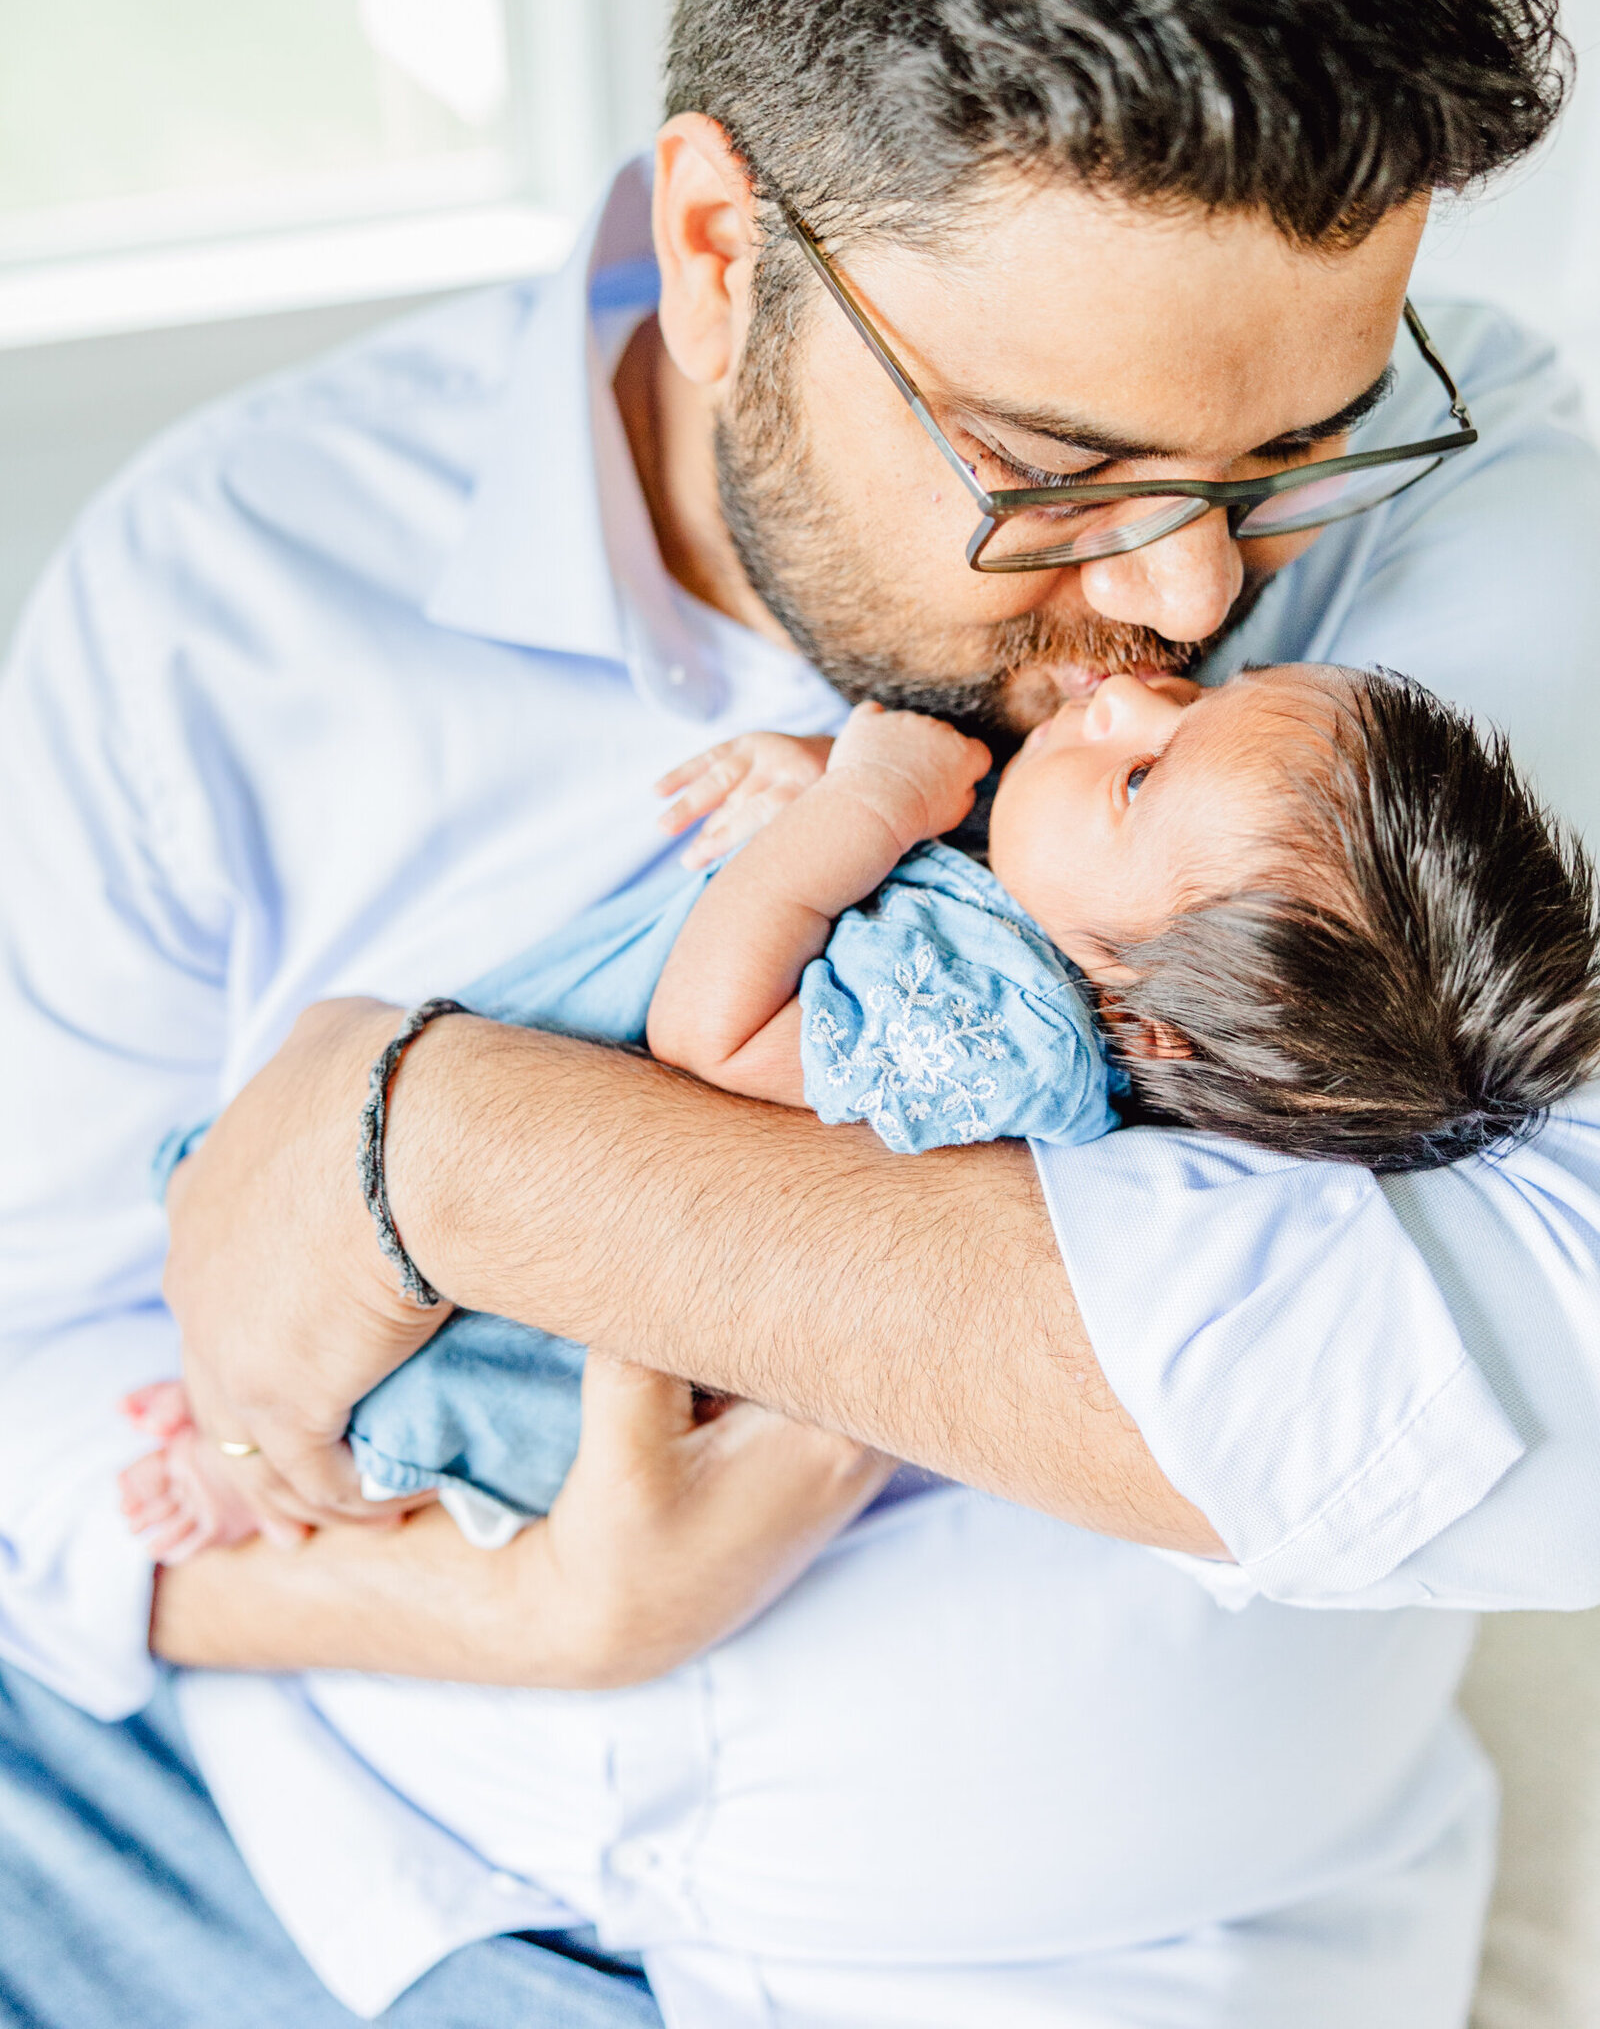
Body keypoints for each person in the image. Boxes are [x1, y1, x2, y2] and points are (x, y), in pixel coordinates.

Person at [4, 0, 1600, 2024]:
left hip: (1089, 1971)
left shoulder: (1491, 554)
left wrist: (452, 1147)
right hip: (304, 1866)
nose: (1188, 602)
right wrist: (510, 1617)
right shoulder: (225, 592)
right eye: (1055, 474)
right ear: (719, 247)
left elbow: (1552, 1378)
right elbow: (38, 1365)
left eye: (1294, 448)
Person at [118, 667, 1600, 1558]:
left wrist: (857, 808)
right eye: (1198, 699)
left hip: (499, 1313)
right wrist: (818, 786)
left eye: (1139, 776)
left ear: (1145, 1016)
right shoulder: (1034, 912)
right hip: (458, 1105)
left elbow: (720, 1033)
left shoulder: (1007, 1044)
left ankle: (243, 1478)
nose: (1128, 692)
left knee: (389, 1391)